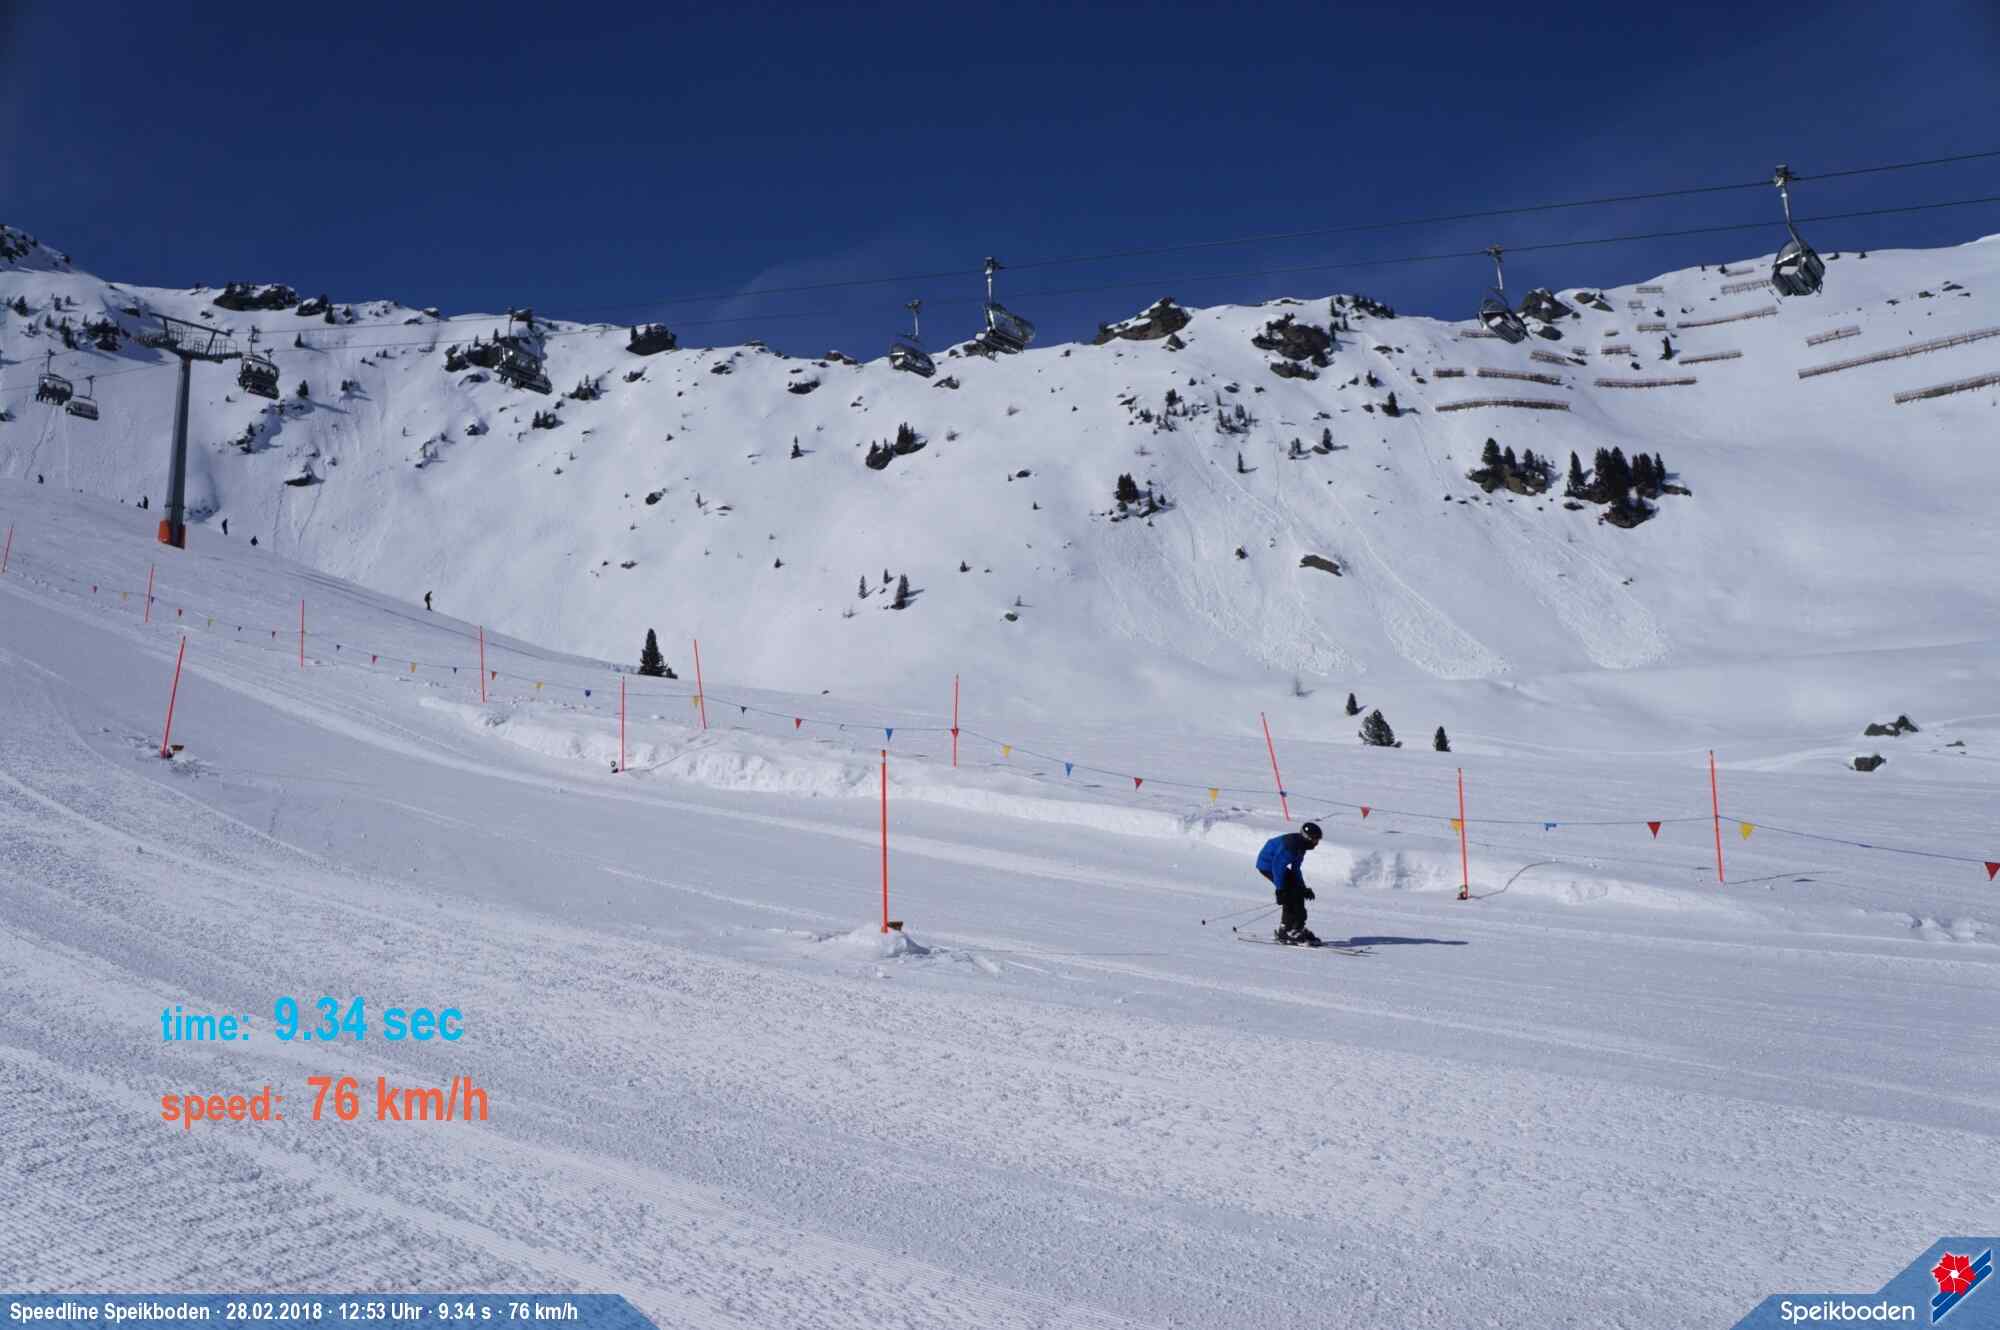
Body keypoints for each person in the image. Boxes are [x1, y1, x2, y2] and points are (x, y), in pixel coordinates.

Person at [1256, 821, 1323, 945]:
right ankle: (1286, 930)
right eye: (1315, 840)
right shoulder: (1291, 846)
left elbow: (1296, 869)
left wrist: (1303, 888)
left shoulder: (1301, 846)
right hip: (1267, 865)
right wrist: (1280, 890)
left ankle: (1297, 928)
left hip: (1277, 865)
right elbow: (1277, 866)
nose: (1317, 844)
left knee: (1298, 892)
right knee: (1289, 895)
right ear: (1308, 838)